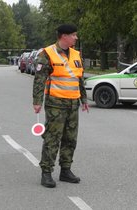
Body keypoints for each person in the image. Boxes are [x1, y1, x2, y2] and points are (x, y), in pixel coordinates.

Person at [32, 24, 89, 188]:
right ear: (64, 36)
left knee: (70, 139)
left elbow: (79, 79)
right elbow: (39, 79)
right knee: (52, 138)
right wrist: (37, 101)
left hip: (73, 104)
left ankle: (65, 170)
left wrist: (84, 100)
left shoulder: (76, 54)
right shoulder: (48, 53)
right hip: (56, 104)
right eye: (74, 35)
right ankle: (46, 172)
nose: (76, 38)